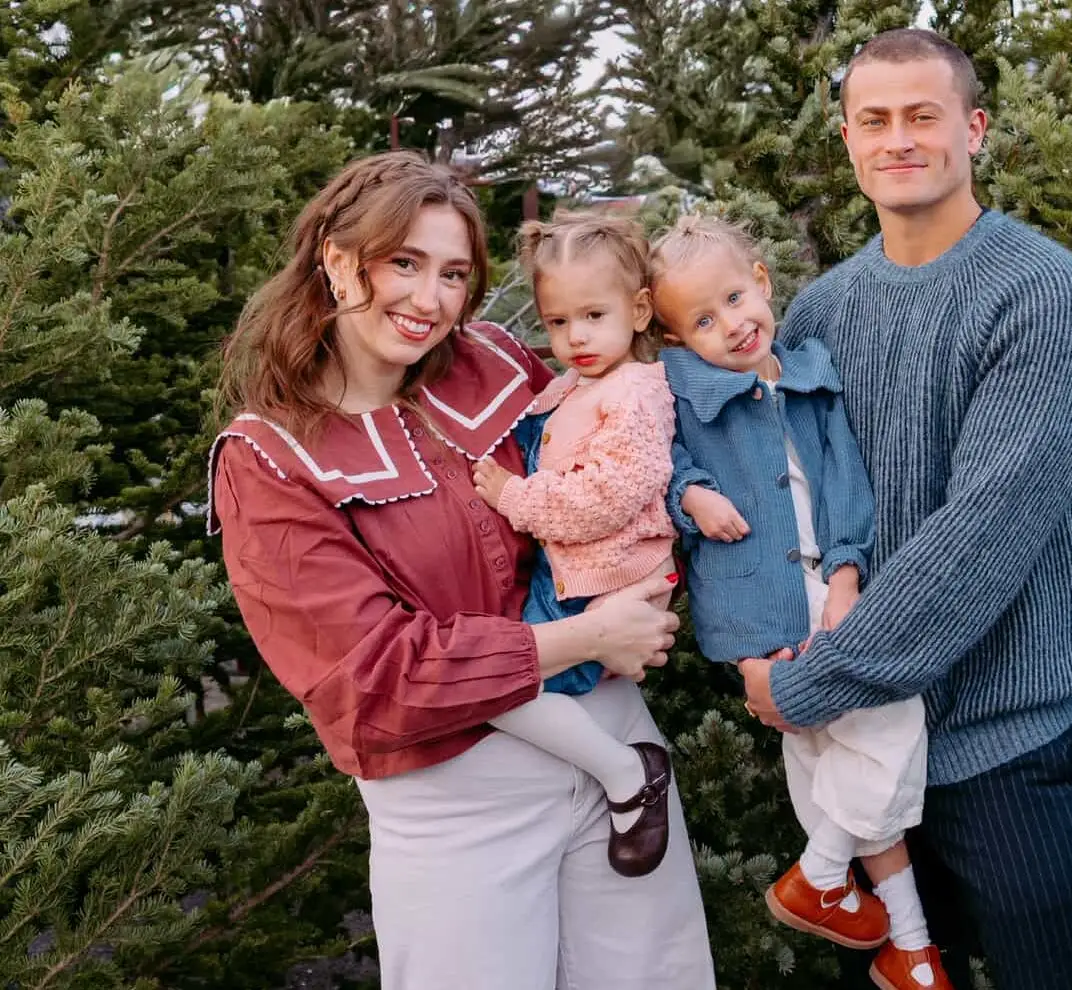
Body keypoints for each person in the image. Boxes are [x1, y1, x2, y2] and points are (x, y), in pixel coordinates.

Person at [208, 150, 716, 990]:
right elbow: (368, 679)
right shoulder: (271, 460)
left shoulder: (495, 366)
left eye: (453, 273)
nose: (428, 300)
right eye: (402, 263)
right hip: (460, 796)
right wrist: (590, 633)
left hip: (620, 749)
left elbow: (626, 459)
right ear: (338, 260)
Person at [736, 28, 1072, 990]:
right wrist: (759, 643)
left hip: (1002, 745)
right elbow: (773, 499)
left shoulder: (1045, 296)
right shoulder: (821, 312)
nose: (898, 138)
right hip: (861, 752)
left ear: (975, 129)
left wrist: (818, 680)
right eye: (875, 119)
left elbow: (985, 532)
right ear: (848, 138)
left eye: (923, 115)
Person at [652, 215, 952, 990]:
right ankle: (822, 875)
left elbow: (847, 481)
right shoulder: (678, 394)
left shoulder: (812, 376)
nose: (731, 327)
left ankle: (908, 945)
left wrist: (849, 575)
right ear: (679, 340)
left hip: (828, 589)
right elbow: (654, 464)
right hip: (757, 603)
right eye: (703, 322)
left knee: (848, 750)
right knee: (880, 727)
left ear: (761, 278)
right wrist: (691, 494)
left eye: (733, 299)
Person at [468, 210, 680, 878]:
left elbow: (602, 498)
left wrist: (512, 497)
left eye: (593, 315)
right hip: (571, 577)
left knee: (496, 688)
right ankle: (614, 773)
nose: (575, 337)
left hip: (603, 587)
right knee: (505, 679)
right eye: (558, 322)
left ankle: (630, 777)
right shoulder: (578, 384)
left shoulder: (640, 396)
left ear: (640, 309)